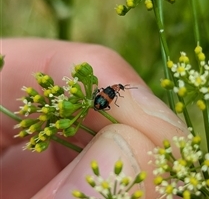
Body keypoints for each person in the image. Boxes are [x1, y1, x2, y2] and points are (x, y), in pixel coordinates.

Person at [1, 39, 188, 198]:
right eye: (118, 89)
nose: (117, 90)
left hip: (96, 103)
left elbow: (104, 96)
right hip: (96, 104)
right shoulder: (110, 92)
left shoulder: (109, 92)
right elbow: (106, 97)